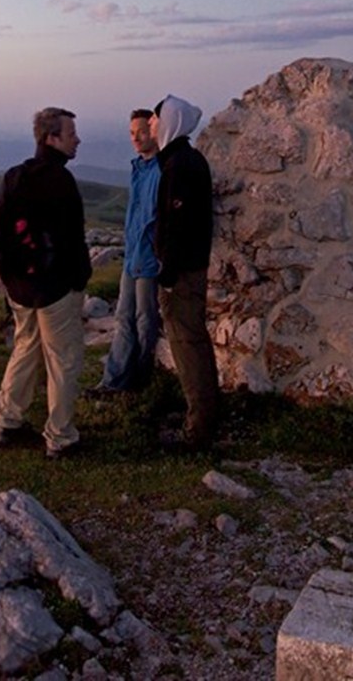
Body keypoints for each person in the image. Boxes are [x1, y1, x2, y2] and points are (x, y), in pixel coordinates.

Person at [0, 106, 92, 460]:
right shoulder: (61, 182)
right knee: (63, 359)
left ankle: (8, 423)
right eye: (71, 133)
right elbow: (73, 241)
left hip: (22, 289)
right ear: (52, 138)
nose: (77, 139)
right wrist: (78, 280)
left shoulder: (14, 177)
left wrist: (13, 281)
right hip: (56, 290)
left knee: (26, 348)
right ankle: (61, 438)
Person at [150, 94, 219, 451]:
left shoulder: (178, 166)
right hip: (190, 266)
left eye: (155, 119)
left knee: (186, 343)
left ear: (169, 122)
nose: (151, 124)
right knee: (192, 339)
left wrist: (168, 272)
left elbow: (177, 223)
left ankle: (199, 430)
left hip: (183, 272)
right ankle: (203, 414)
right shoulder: (186, 160)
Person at [88, 109, 161, 396]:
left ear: (153, 132)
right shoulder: (138, 168)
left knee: (144, 320)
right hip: (133, 256)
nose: (135, 138)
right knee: (123, 317)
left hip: (149, 258)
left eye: (141, 131)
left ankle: (139, 381)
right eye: (131, 133)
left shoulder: (160, 170)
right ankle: (113, 381)